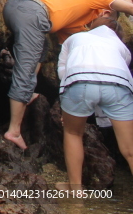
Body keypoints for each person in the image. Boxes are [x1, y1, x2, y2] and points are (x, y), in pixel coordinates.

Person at [3, 0, 133, 150]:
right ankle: (13, 131)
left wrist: (72, 109)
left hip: (24, 11)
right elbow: (128, 7)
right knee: (26, 70)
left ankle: (26, 94)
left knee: (41, 51)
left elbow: (74, 59)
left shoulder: (76, 22)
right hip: (30, 9)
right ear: (106, 11)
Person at [56, 10, 133, 190]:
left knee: (74, 133)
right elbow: (123, 70)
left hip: (79, 80)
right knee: (130, 149)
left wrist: (66, 107)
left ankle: (75, 189)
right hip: (118, 84)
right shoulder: (121, 47)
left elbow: (63, 71)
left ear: (91, 27)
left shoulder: (74, 39)